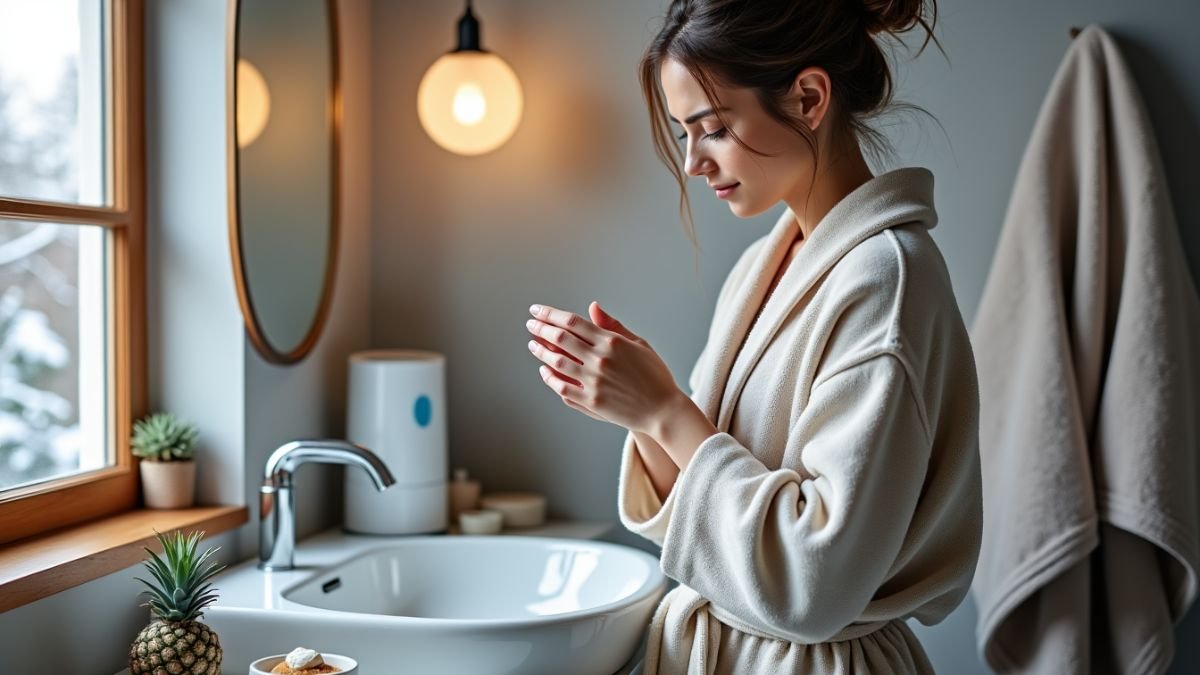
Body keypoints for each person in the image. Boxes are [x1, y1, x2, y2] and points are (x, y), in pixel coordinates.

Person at [524, 0, 982, 672]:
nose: (692, 164)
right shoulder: (764, 266)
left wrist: (664, 410)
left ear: (808, 97)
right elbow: (707, 515)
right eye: (684, 134)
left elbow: (813, 581)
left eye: (710, 129)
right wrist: (640, 408)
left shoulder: (887, 283)